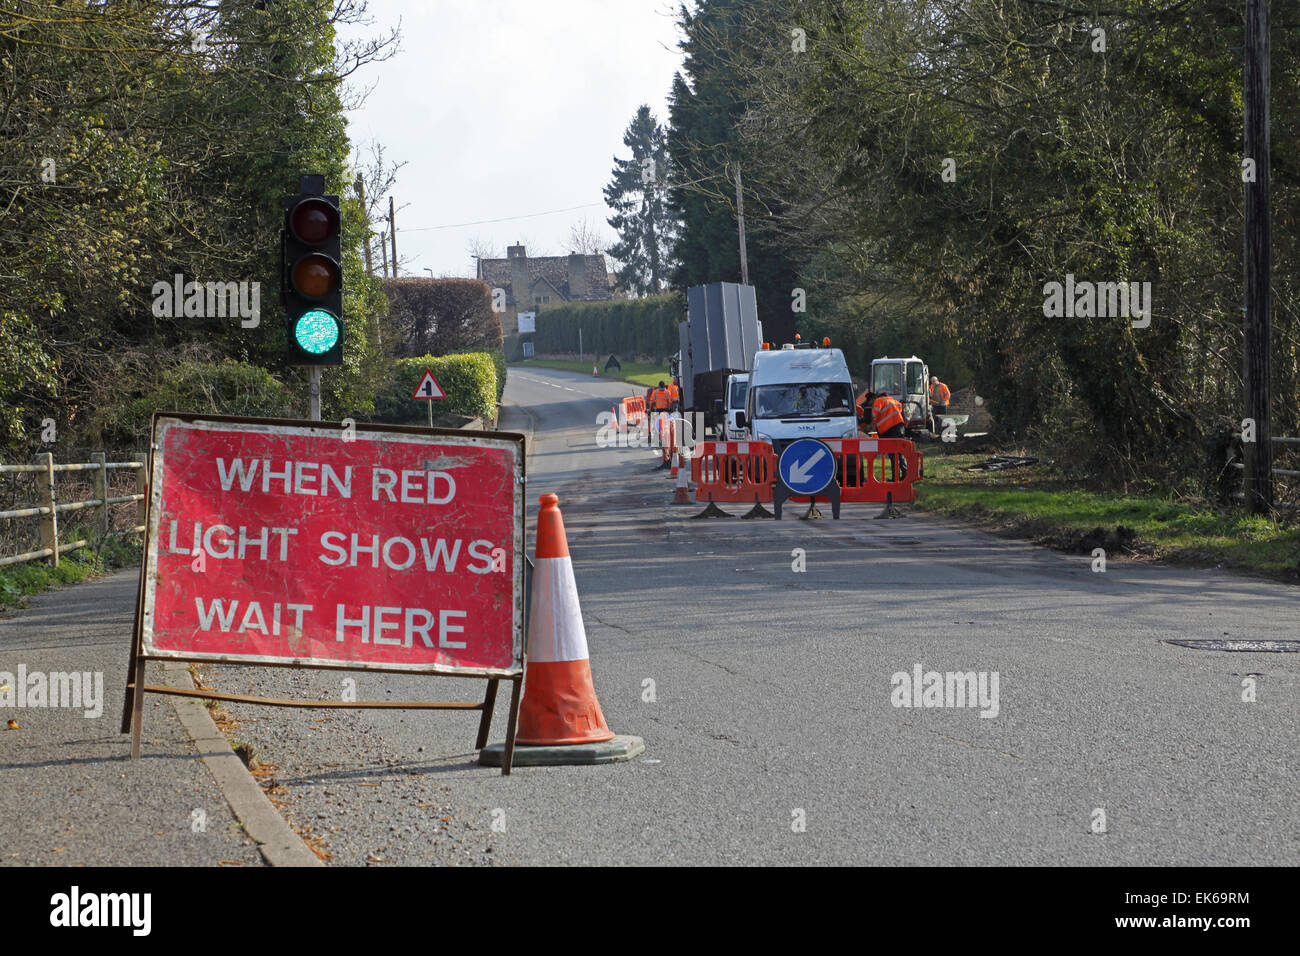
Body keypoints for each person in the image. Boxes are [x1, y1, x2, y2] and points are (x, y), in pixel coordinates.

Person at [868, 390, 908, 480]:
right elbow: (900, 408)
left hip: (890, 430)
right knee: (900, 452)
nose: (870, 405)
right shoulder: (892, 400)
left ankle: (895, 478)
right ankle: (905, 474)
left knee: (893, 454)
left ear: (873, 399)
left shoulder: (878, 401)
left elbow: (874, 414)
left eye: (870, 403)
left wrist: (872, 426)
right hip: (900, 427)